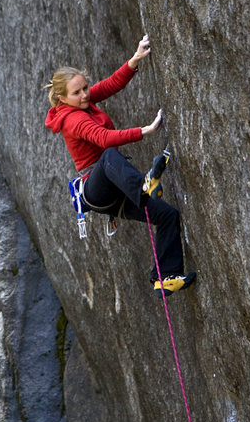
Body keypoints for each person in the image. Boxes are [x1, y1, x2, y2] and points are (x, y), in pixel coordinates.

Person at [44, 34, 196, 297]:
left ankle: (165, 277)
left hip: (117, 190)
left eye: (85, 88)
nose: (84, 94)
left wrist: (135, 59)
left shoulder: (85, 101)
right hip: (98, 188)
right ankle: (144, 185)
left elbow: (112, 84)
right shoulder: (71, 120)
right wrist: (145, 131)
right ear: (61, 98)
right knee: (108, 154)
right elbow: (102, 138)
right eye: (76, 92)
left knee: (167, 215)